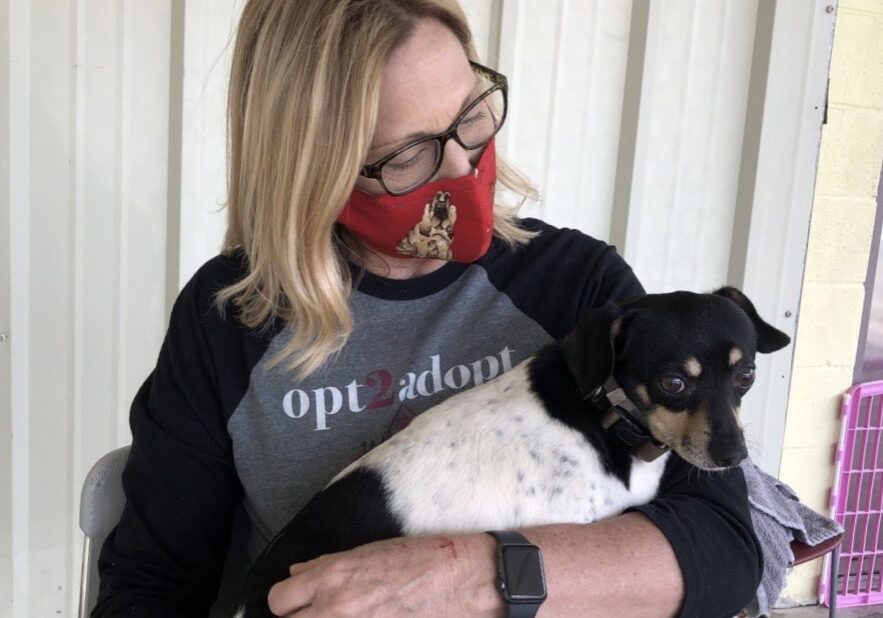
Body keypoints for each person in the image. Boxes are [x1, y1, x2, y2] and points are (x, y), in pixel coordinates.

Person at [94, 1, 762, 616]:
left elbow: (724, 546)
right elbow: (155, 585)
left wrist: (470, 573)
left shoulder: (577, 289)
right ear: (312, 163)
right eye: (409, 154)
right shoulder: (232, 319)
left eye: (470, 116)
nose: (462, 166)